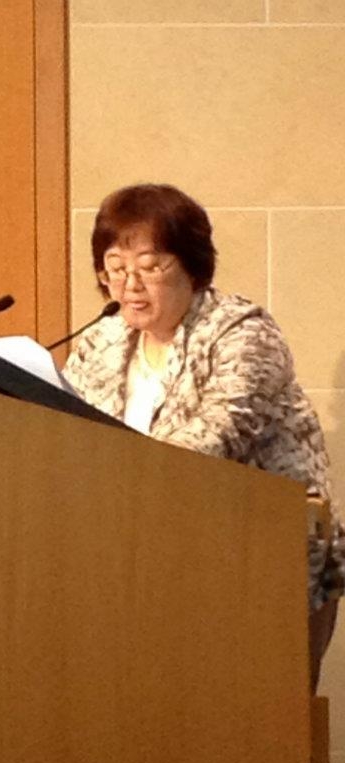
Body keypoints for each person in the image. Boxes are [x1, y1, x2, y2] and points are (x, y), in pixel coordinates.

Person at [63, 182, 344, 691]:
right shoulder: (101, 340)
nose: (130, 285)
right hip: (138, 564)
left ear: (192, 265)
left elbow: (215, 438)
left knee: (254, 718)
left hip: (256, 561)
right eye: (115, 268)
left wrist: (114, 473)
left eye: (151, 266)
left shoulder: (242, 333)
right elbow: (63, 434)